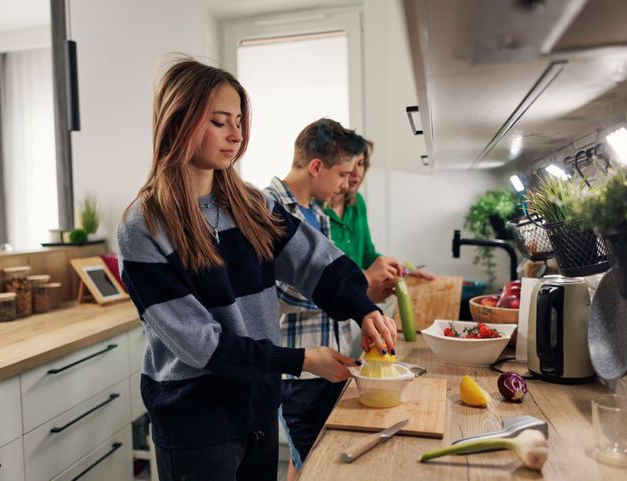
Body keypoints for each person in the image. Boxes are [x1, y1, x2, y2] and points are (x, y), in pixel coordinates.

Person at [117, 59, 397, 481]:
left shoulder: (252, 207)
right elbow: (202, 346)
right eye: (219, 121)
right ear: (180, 122)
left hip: (259, 407)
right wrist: (300, 360)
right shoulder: (145, 226)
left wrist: (363, 308)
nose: (237, 135)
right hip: (197, 422)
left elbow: (314, 260)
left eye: (240, 121)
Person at [265, 120, 403, 480]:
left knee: (317, 463)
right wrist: (361, 285)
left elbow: (333, 283)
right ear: (316, 167)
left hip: (334, 362)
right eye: (343, 173)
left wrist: (361, 307)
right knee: (316, 466)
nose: (347, 183)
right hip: (299, 370)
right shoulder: (269, 208)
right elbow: (277, 291)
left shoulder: (320, 215)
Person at [325, 139, 435, 287]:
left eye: (361, 163)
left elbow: (366, 255)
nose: (356, 173)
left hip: (352, 299)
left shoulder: (358, 202)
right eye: (352, 164)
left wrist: (403, 270)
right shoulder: (315, 209)